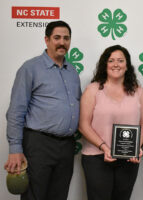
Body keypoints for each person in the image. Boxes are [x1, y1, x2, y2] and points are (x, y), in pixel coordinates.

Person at [4, 20, 81, 200]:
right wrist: (15, 149)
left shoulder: (73, 72)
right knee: (34, 196)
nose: (62, 42)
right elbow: (16, 110)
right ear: (46, 40)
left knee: (59, 195)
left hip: (67, 145)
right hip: (38, 145)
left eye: (66, 38)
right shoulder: (30, 68)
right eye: (57, 38)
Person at [79, 45, 143, 200]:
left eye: (120, 60)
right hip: (96, 157)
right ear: (105, 65)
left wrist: (137, 146)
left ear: (127, 65)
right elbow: (83, 125)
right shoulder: (93, 89)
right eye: (111, 60)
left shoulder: (139, 92)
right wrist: (104, 147)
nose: (116, 64)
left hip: (128, 158)